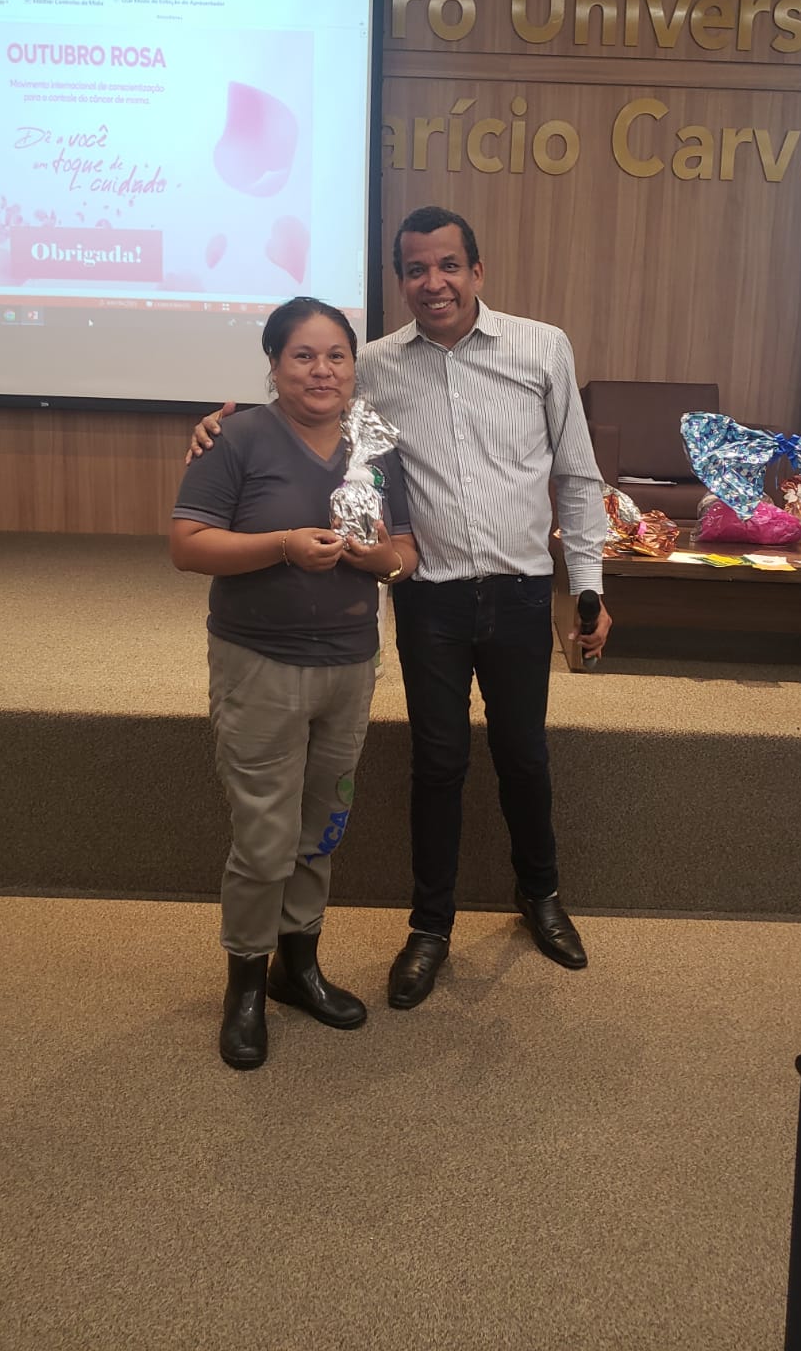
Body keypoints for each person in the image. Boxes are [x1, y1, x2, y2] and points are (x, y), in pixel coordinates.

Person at [190, 207, 611, 1011]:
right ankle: (430, 926)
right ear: (400, 281)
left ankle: (541, 895)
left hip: (521, 589)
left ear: (477, 271)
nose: (433, 282)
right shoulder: (374, 365)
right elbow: (305, 407)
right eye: (416, 269)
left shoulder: (542, 348)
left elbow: (577, 474)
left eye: (449, 265)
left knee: (524, 753)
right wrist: (219, 424)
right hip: (428, 595)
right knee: (438, 761)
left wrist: (587, 586)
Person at [172, 297, 418, 1070]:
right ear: (274, 365)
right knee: (264, 835)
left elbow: (405, 552)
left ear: (354, 365)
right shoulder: (237, 438)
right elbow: (187, 545)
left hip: (349, 665)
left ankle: (298, 966)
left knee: (323, 824)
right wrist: (282, 545)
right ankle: (245, 982)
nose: (322, 370)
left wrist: (378, 560)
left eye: (336, 355)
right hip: (260, 664)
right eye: (303, 356)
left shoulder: (375, 443)